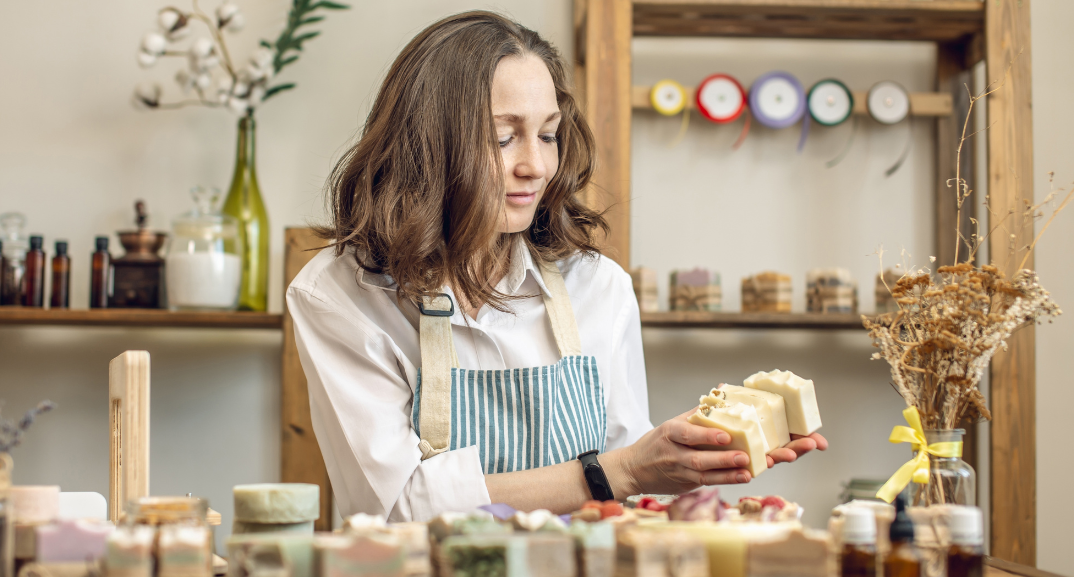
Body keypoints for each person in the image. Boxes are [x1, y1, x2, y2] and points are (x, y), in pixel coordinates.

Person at [288, 10, 827, 522]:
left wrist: (678, 461)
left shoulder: (597, 287)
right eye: (503, 137)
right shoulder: (341, 295)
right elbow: (396, 507)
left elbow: (628, 484)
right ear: (428, 147)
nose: (537, 165)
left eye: (547, 134)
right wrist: (623, 470)